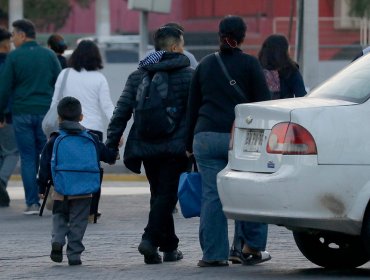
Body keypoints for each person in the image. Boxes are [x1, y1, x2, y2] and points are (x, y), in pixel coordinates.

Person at [186, 15, 272, 267]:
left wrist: (186, 144)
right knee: (249, 191)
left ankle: (213, 255)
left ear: (219, 35)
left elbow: (192, 107)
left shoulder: (204, 65)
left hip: (205, 137)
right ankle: (249, 248)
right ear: (243, 37)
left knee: (212, 195)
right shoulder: (250, 65)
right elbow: (263, 106)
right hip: (242, 139)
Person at [105, 26, 193, 264]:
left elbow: (121, 112)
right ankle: (149, 239)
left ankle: (169, 247)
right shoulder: (189, 75)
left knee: (160, 195)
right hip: (176, 148)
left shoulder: (138, 75)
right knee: (165, 196)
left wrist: (111, 145)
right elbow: (195, 114)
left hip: (146, 146)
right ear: (174, 47)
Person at [38, 96, 116, 266]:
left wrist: (42, 186)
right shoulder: (92, 138)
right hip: (85, 189)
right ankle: (74, 254)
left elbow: (44, 164)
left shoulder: (54, 139)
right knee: (79, 221)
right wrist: (114, 146)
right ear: (81, 117)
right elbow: (108, 156)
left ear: (59, 118)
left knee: (59, 217)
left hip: (61, 188)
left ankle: (57, 240)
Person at [49, 39, 115, 223]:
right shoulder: (99, 78)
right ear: (96, 57)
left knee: (66, 167)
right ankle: (91, 213)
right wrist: (118, 130)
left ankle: (66, 207)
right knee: (92, 170)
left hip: (66, 129)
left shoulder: (64, 74)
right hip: (93, 131)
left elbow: (55, 101)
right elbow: (107, 106)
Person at [0, 19, 61, 214]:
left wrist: (1, 111)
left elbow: (5, 88)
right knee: (47, 155)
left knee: (27, 158)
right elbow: (59, 84)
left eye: (14, 35)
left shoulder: (15, 57)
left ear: (22, 35)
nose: (13, 39)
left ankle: (33, 203)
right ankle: (51, 197)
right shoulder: (50, 55)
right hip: (45, 115)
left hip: (22, 113)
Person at [0, 27, 19, 207]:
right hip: (6, 115)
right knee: (12, 152)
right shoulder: (10, 62)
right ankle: (1, 182)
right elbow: (6, 91)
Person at [258, 34, 306, 99]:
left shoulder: (257, 69)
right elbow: (301, 95)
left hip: (260, 108)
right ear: (285, 51)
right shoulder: (291, 70)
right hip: (285, 108)